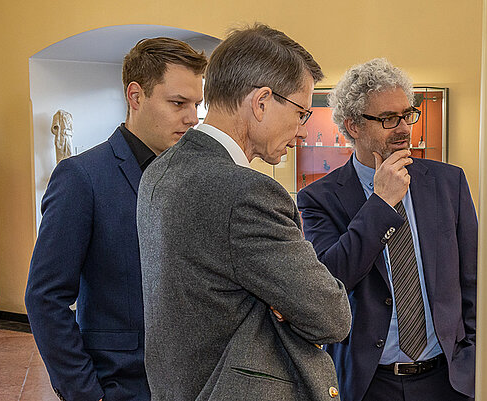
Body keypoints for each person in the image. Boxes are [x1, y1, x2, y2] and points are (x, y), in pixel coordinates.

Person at [136, 24, 351, 400]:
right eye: (302, 112)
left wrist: (280, 297)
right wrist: (284, 301)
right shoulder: (247, 193)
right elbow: (330, 315)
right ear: (262, 101)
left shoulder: (159, 170)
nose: (302, 130)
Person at [25, 37, 207, 401]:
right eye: (178, 103)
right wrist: (87, 394)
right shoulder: (82, 177)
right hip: (121, 385)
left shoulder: (195, 176)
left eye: (196, 105)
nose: (191, 117)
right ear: (136, 96)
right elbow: (45, 297)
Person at [297, 58, 477, 401]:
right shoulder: (318, 199)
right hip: (368, 384)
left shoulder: (448, 182)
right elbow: (331, 280)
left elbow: (472, 279)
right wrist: (381, 203)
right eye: (388, 119)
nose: (404, 128)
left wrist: (470, 356)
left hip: (447, 379)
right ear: (354, 127)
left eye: (407, 115)